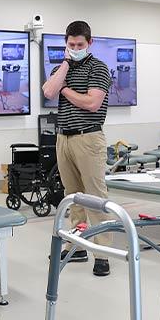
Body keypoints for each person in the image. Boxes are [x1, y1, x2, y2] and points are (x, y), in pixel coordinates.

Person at [42, 20, 112, 277]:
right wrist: (65, 65)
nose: (75, 48)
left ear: (89, 43)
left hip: (89, 138)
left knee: (95, 197)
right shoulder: (63, 66)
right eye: (70, 44)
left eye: (79, 45)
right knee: (72, 196)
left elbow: (92, 103)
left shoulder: (99, 68)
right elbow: (49, 91)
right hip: (64, 138)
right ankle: (78, 245)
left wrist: (66, 89)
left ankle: (102, 253)